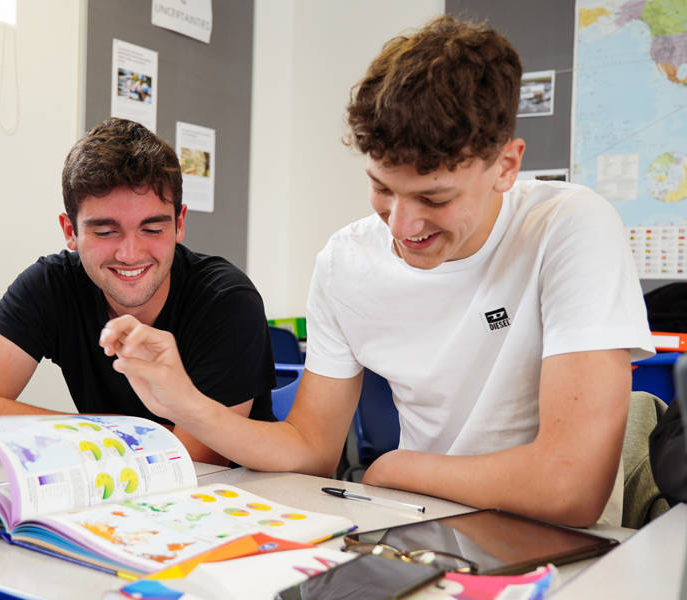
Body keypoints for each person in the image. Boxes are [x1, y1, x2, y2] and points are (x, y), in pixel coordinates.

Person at [97, 15, 653, 526]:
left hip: (554, 544)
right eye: (383, 188)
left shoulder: (569, 226)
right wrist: (183, 402)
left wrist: (396, 468)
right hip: (418, 524)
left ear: (505, 165)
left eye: (434, 197)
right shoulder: (346, 262)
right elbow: (311, 447)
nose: (403, 225)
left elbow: (570, 487)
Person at [0, 118, 275, 465]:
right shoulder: (51, 284)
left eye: (152, 229)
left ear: (179, 223)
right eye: (106, 232)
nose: (129, 254)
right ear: (70, 231)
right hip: (114, 495)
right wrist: (107, 431)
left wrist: (87, 437)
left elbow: (193, 460)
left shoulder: (226, 300)